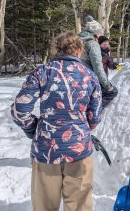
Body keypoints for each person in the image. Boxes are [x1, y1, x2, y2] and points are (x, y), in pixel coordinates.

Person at [11, 32, 103, 211]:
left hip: (46, 149)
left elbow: (19, 110)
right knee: (80, 206)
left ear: (58, 49)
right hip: (78, 150)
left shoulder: (42, 72)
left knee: (45, 206)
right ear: (79, 51)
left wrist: (33, 128)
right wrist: (81, 128)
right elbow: (95, 117)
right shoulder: (89, 76)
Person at [79, 15, 117, 105]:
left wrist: (116, 66)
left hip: (78, 78)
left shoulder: (77, 42)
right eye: (99, 32)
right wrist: (108, 86)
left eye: (107, 43)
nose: (106, 45)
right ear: (95, 32)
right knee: (112, 91)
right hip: (90, 79)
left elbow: (110, 63)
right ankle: (96, 111)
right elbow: (98, 67)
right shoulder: (93, 45)